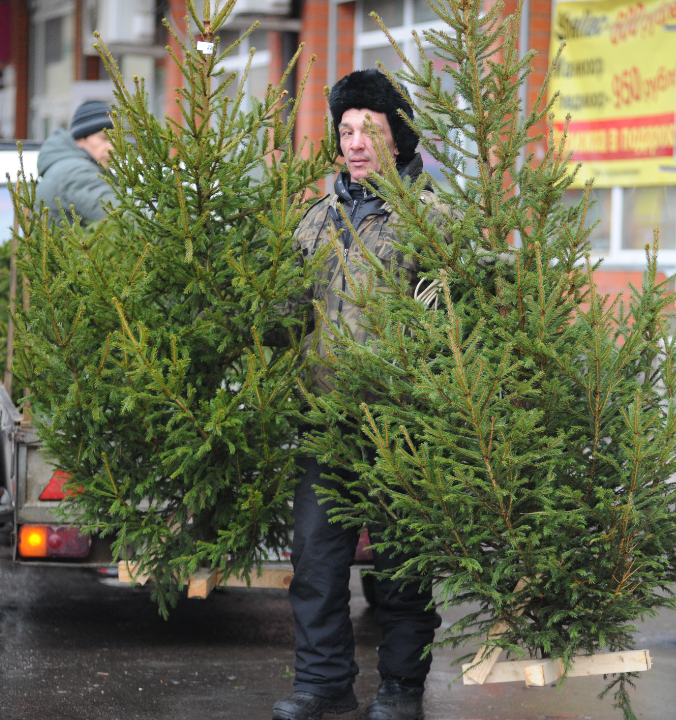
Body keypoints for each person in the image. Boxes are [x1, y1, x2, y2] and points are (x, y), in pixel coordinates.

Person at [273, 69, 453, 720]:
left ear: (397, 138)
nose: (354, 143)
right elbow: (288, 314)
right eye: (345, 130)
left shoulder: (431, 222)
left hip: (402, 427)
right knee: (315, 564)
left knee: (402, 569)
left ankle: (401, 690)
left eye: (368, 130)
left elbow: (449, 327)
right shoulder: (315, 221)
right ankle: (324, 687)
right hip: (326, 425)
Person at [37, 100, 116, 224]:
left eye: (115, 139)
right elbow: (121, 217)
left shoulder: (67, 164)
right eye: (104, 138)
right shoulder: (76, 172)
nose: (112, 147)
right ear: (80, 139)